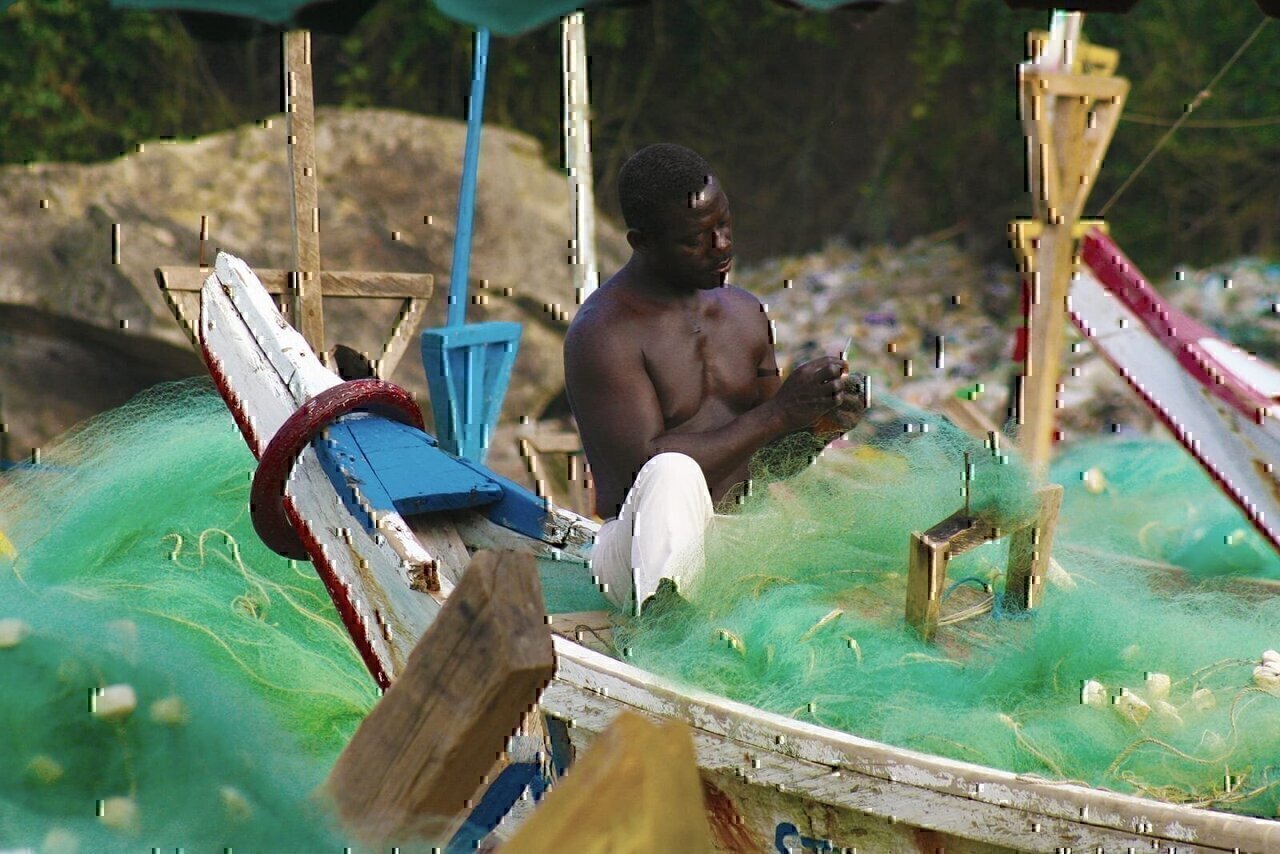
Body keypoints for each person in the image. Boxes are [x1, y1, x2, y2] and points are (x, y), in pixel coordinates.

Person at [564, 143, 865, 615]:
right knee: (671, 471)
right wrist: (778, 412)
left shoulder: (745, 312)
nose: (721, 245)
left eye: (724, 225)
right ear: (642, 242)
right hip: (634, 557)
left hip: (733, 541)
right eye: (695, 239)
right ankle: (667, 630)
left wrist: (821, 425)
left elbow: (769, 463)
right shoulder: (604, 332)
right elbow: (641, 472)